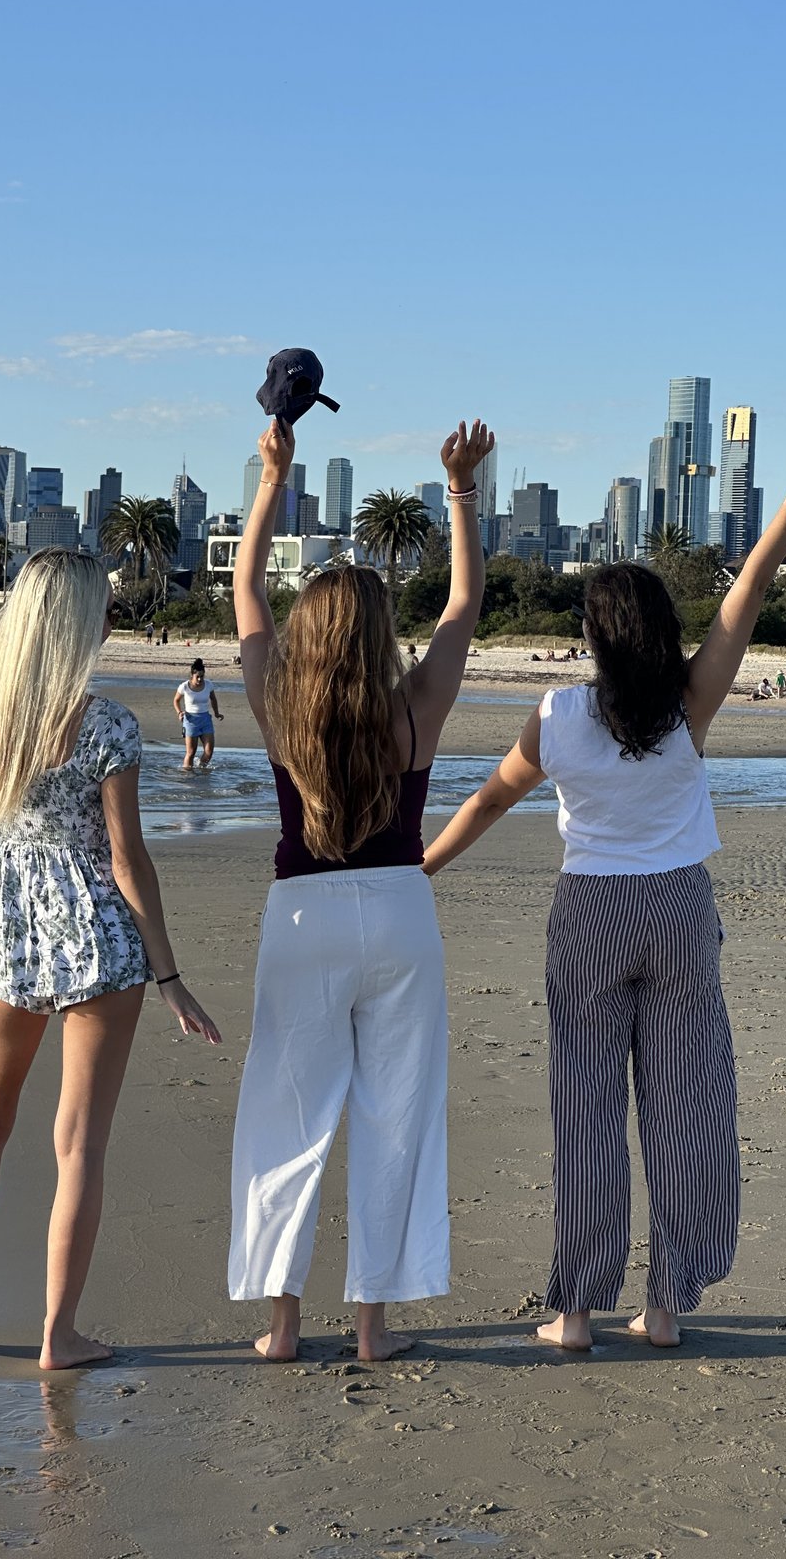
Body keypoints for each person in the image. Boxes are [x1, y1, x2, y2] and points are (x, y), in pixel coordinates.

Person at [423, 433, 786, 1353]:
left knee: (584, 1110)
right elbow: (751, 588)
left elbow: (492, 798)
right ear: (661, 630)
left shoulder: (557, 715)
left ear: (591, 633)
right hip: (676, 911)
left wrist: (423, 866)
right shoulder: (688, 703)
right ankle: (663, 1307)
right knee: (687, 1103)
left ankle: (574, 1312)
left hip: (587, 913)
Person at [0, 416, 220, 1369]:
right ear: (87, 625)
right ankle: (57, 1336)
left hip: (6, 928)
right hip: (97, 942)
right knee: (76, 1144)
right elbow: (128, 861)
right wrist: (170, 977)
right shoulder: (110, 727)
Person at [230, 413, 494, 1364]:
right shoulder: (412, 710)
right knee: (397, 1116)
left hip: (300, 915)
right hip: (397, 914)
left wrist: (272, 478)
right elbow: (464, 607)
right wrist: (460, 489)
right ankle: (373, 1325)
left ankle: (282, 1325)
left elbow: (246, 588)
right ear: (384, 633)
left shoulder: (276, 701)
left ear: (310, 634)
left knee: (285, 1115)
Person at [173, 659, 224, 770]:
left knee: (209, 752)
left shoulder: (209, 685)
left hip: (205, 720)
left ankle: (201, 770)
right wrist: (179, 712)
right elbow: (176, 700)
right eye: (198, 677)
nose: (200, 679)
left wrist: (216, 713)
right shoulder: (185, 686)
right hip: (190, 720)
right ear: (192, 675)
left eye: (202, 676)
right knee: (191, 752)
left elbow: (213, 699)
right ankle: (187, 775)